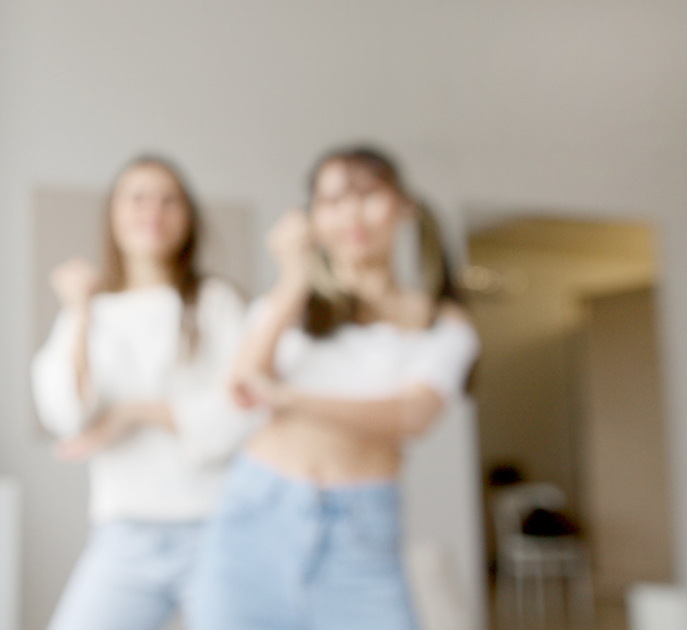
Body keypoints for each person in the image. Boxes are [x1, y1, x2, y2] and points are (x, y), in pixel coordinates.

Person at [190, 146, 480, 630]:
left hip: (361, 527)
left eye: (367, 194)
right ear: (311, 220)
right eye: (331, 201)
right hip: (255, 513)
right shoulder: (289, 308)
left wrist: (289, 398)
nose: (350, 212)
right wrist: (293, 280)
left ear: (403, 207)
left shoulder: (441, 324)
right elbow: (239, 390)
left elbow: (412, 416)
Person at [32, 157, 254, 630]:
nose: (153, 209)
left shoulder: (217, 302)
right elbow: (68, 414)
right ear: (113, 213)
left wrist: (132, 414)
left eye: (168, 199)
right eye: (138, 197)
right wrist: (80, 311)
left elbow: (239, 414)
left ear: (188, 217)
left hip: (216, 527)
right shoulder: (89, 311)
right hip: (124, 532)